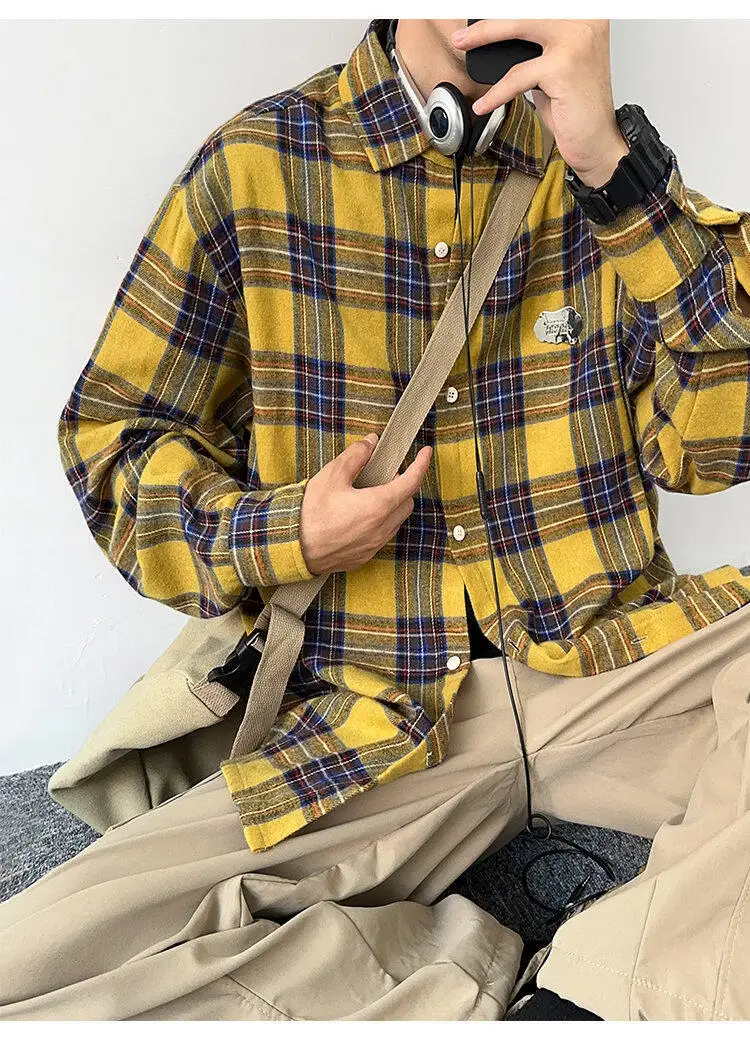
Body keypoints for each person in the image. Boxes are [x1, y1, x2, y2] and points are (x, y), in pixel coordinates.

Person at [2, 17, 750, 1021]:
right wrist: (286, 534)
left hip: (614, 666)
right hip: (373, 710)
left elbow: (715, 449)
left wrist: (619, 174)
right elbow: (114, 441)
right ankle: (435, 968)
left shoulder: (607, 174)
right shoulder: (257, 164)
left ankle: (589, 1004)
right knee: (32, 964)